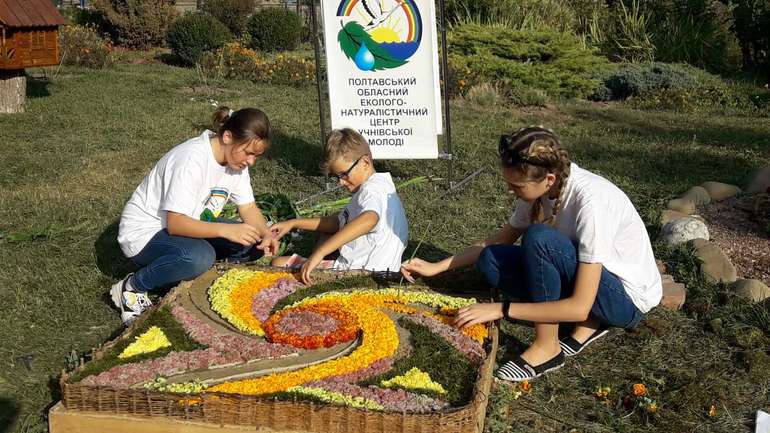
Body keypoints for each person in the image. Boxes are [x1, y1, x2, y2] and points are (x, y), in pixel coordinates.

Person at [401, 126, 661, 382]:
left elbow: (580, 304)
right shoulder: (543, 190)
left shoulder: (591, 203)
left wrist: (502, 309)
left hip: (624, 300)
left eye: (516, 185)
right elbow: (498, 240)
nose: (510, 190)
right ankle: (588, 321)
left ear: (548, 179)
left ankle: (548, 347)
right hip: (586, 282)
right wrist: (438, 267)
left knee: (540, 239)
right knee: (491, 259)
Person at [111, 107, 279, 324]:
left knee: (252, 243)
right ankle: (132, 287)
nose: (251, 162)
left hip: (190, 224)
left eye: (256, 156)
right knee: (199, 257)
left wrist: (265, 233)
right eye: (248, 153)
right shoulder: (191, 159)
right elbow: (176, 224)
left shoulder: (235, 162)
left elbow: (248, 207)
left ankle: (199, 277)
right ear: (227, 137)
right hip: (145, 235)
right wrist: (226, 230)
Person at [271, 128, 408, 284]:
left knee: (278, 264)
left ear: (365, 162)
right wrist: (294, 223)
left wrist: (320, 253)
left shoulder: (371, 191)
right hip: (379, 268)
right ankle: (314, 263)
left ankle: (314, 267)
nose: (341, 182)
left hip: (362, 274)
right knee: (326, 233)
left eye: (344, 174)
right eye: (337, 176)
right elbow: (338, 222)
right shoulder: (379, 185)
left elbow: (369, 219)